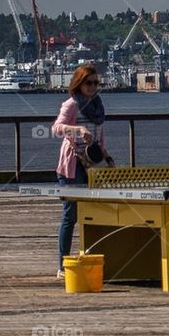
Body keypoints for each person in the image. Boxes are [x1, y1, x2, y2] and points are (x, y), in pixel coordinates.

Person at [51, 65, 115, 279]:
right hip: (72, 164)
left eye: (96, 83)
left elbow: (99, 137)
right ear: (79, 83)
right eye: (89, 83)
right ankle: (63, 265)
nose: (93, 87)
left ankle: (93, 259)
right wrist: (77, 129)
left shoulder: (98, 105)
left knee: (95, 212)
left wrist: (107, 157)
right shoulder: (71, 104)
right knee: (70, 215)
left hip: (93, 164)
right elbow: (56, 128)